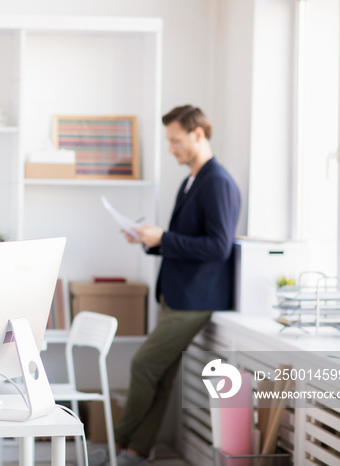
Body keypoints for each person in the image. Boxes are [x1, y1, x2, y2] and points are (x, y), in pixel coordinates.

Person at [91, 105, 241, 466]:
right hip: (177, 295)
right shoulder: (192, 180)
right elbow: (186, 241)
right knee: (160, 376)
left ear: (198, 134)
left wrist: (164, 237)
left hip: (195, 299)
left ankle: (117, 444)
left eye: (176, 140)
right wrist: (150, 239)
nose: (171, 148)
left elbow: (218, 247)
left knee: (144, 366)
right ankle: (135, 452)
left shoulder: (217, 182)